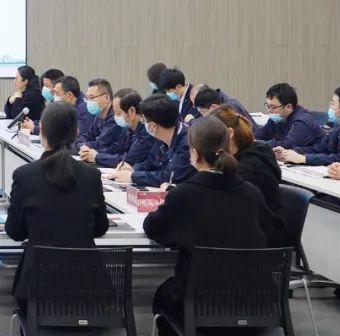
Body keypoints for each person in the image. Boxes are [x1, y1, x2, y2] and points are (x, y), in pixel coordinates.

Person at [143, 116, 276, 336]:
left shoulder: (184, 194)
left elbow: (153, 228)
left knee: (164, 295)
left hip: (199, 304)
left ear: (195, 153)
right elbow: (270, 234)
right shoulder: (252, 192)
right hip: (256, 304)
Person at [5, 102, 109, 314]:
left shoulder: (25, 175)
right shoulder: (91, 176)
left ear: (41, 130)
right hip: (88, 292)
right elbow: (100, 228)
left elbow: (15, 232)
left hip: (37, 291)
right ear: (76, 133)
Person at [211, 107, 284, 226]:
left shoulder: (250, 168)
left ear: (229, 133)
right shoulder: (237, 157)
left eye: (211, 136)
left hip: (261, 230)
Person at [111, 95, 193, 187]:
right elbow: (151, 162)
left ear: (153, 126)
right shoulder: (161, 137)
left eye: (144, 121)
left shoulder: (187, 143)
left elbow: (170, 177)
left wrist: (133, 176)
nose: (143, 124)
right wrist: (133, 169)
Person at [277, 86, 340, 166]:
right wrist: (289, 152)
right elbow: (318, 149)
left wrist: (303, 159)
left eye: (332, 104)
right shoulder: (338, 131)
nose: (330, 107)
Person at [81, 89, 158, 168]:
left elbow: (130, 160)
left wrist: (97, 157)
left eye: (118, 113)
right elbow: (117, 148)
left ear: (131, 111)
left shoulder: (147, 131)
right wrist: (91, 153)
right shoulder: (127, 127)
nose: (115, 117)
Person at [256, 83, 322, 149]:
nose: (269, 110)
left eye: (273, 107)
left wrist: (258, 143)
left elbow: (287, 146)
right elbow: (260, 135)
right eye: (268, 106)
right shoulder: (277, 118)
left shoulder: (302, 122)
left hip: (314, 154)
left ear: (288, 107)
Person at [77, 78, 122, 151]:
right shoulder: (99, 115)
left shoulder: (116, 118)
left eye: (91, 97)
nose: (88, 102)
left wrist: (78, 145)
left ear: (106, 98)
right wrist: (79, 144)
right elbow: (88, 136)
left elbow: (99, 145)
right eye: (87, 98)